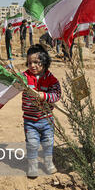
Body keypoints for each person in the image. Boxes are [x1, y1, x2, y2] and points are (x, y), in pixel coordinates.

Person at [22, 44, 61, 178]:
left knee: (48, 142)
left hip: (47, 119)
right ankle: (33, 165)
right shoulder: (25, 77)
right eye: (29, 62)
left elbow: (57, 94)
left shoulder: (51, 79)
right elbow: (15, 83)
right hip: (30, 120)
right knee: (32, 144)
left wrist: (44, 96)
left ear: (44, 63)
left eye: (36, 62)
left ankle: (48, 163)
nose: (32, 65)